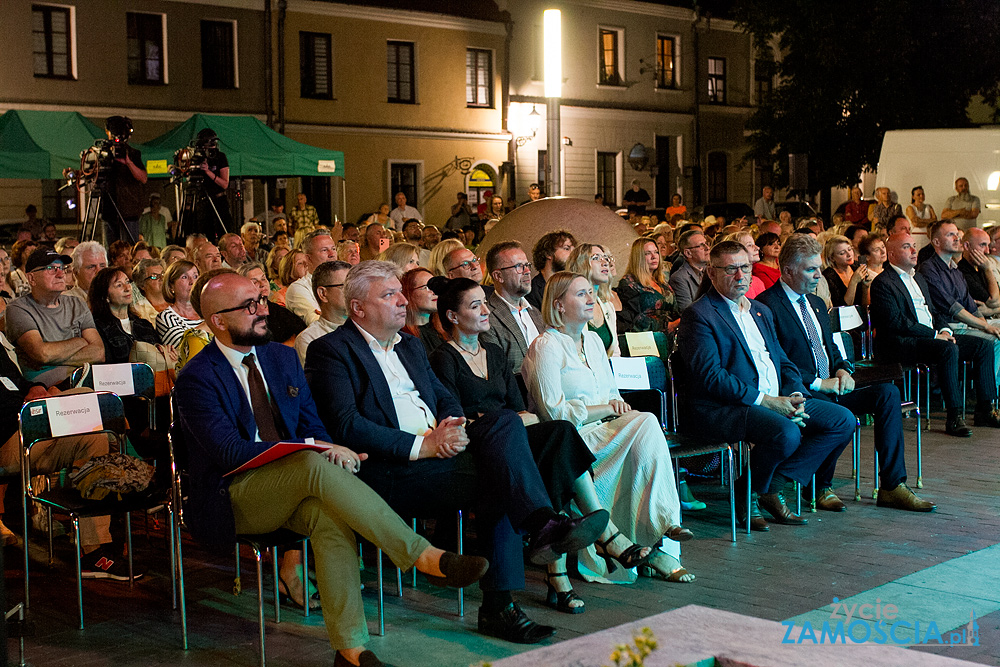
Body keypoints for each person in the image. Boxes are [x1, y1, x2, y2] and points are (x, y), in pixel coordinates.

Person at [174, 272, 488, 667]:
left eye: (261, 300)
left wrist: (332, 448)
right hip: (233, 495)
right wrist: (315, 448)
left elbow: (312, 425)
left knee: (328, 517)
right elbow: (229, 452)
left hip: (295, 484)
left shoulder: (281, 357)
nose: (262, 310)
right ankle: (420, 555)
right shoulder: (196, 377)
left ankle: (351, 650)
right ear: (218, 320)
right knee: (309, 459)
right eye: (248, 306)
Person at [304, 261, 608, 644]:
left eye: (401, 292)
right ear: (358, 308)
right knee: (500, 473)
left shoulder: (410, 345)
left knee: (533, 430)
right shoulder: (330, 350)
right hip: (393, 468)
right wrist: (423, 446)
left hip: (445, 451)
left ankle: (541, 527)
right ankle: (519, 570)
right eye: (389, 295)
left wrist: (454, 426)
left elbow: (445, 396)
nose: (402, 301)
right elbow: (347, 424)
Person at [430, 277, 656, 613]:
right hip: (478, 446)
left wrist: (508, 418)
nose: (484, 310)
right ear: (452, 315)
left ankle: (572, 556)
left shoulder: (493, 351)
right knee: (544, 446)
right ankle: (601, 541)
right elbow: (454, 416)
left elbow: (519, 407)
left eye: (484, 303)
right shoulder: (443, 358)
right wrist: (500, 419)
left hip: (512, 436)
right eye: (475, 305)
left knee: (561, 433)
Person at [523, 272, 694, 584]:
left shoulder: (591, 340)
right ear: (559, 305)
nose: (591, 300)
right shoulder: (546, 346)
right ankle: (661, 533)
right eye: (581, 295)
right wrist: (605, 409)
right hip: (573, 441)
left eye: (591, 292)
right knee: (646, 423)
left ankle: (659, 534)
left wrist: (615, 407)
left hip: (608, 431)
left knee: (645, 427)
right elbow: (553, 413)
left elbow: (612, 392)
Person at [675, 241, 856, 531]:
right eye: (730, 269)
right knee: (786, 431)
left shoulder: (760, 310)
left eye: (745, 268)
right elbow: (711, 377)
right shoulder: (700, 315)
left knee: (842, 420)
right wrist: (767, 401)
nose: (740, 276)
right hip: (726, 407)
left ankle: (769, 486)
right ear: (712, 273)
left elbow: (783, 362)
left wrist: (795, 394)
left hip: (775, 400)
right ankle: (749, 492)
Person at [757, 235, 935, 512]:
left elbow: (830, 346)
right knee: (840, 417)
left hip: (831, 383)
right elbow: (777, 362)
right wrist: (818, 382)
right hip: (800, 390)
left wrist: (843, 368)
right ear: (788, 269)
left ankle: (892, 485)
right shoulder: (767, 305)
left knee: (888, 393)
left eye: (819, 267)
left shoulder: (815, 302)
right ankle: (819, 485)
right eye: (810, 269)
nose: (819, 275)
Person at [870, 233, 997, 436]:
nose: (914, 251)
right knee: (947, 348)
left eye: (914, 246)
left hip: (931, 337)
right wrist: (934, 335)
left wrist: (944, 330)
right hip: (902, 343)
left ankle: (985, 409)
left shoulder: (918, 277)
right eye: (906, 247)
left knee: (983, 345)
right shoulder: (883, 283)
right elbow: (898, 322)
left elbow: (934, 311)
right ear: (891, 254)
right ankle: (954, 417)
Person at [918, 220, 1000, 392]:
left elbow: (971, 306)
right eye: (950, 235)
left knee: (996, 331)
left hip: (966, 324)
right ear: (937, 242)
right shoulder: (929, 269)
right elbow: (953, 309)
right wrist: (985, 326)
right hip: (949, 327)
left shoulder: (955, 269)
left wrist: (986, 324)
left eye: (957, 234)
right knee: (994, 340)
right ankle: (991, 395)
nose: (957, 238)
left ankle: (993, 390)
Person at [5, 248, 106, 388]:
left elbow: (99, 353)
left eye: (62, 268)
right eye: (51, 268)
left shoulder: (76, 304)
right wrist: (80, 341)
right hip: (45, 388)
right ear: (31, 278)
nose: (60, 274)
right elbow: (42, 354)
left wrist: (53, 358)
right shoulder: (18, 309)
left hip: (83, 378)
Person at [480, 241, 545, 374]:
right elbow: (501, 371)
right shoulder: (487, 318)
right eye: (519, 267)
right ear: (498, 276)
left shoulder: (535, 312)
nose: (527, 271)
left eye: (527, 265)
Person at [87, 266, 164, 364]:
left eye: (127, 282)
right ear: (105, 295)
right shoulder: (99, 327)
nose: (127, 288)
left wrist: (166, 351)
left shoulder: (144, 325)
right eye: (119, 285)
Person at [616, 237, 680, 335]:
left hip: (669, 340)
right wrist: (668, 326)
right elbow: (630, 322)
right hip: (645, 342)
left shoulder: (662, 282)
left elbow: (674, 311)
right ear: (638, 257)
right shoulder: (629, 283)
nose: (654, 256)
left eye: (656, 252)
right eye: (648, 253)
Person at [566, 243, 620, 357]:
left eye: (605, 258)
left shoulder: (608, 307)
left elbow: (615, 353)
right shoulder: (570, 306)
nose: (605, 262)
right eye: (596, 258)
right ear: (581, 265)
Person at [101, 116, 147, 244]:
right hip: (108, 211)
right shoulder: (102, 153)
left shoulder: (133, 153)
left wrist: (128, 162)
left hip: (129, 211)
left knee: (130, 250)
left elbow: (143, 178)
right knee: (111, 252)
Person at [295, 260, 351, 366]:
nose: (353, 292)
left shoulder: (366, 328)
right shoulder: (310, 339)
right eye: (345, 286)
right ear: (323, 294)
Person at [238, 262, 305, 346]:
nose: (262, 284)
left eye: (263, 279)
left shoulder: (278, 311)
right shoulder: (242, 316)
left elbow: (303, 333)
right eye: (255, 282)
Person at [285, 230, 337, 325]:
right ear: (308, 258)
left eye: (333, 249)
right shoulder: (298, 288)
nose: (331, 254)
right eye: (324, 250)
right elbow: (318, 324)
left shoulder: (346, 282)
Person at [190, 129, 231, 240]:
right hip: (203, 201)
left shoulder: (220, 157)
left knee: (224, 234)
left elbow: (225, 184)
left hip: (219, 200)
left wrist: (208, 172)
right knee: (205, 235)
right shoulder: (198, 158)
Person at [155, 260, 202, 349]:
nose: (192, 282)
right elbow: (185, 347)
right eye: (184, 277)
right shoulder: (166, 317)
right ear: (171, 286)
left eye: (195, 276)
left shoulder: (206, 312)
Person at [401, 268, 446, 356]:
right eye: (427, 287)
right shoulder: (401, 336)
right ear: (409, 293)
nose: (434, 292)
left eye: (436, 287)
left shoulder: (444, 329)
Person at [526, 231, 576, 310]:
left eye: (574, 251)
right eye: (567, 248)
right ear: (548, 254)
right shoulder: (532, 292)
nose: (573, 254)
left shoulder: (573, 285)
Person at [958, 228, 1000, 315]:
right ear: (966, 246)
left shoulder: (980, 268)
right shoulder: (962, 271)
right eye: (982, 245)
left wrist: (991, 311)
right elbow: (994, 301)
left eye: (988, 245)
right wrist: (988, 270)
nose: (987, 251)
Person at [823, 235, 872, 307]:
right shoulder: (828, 276)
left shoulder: (857, 267)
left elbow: (865, 305)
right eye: (842, 253)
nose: (849, 254)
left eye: (849, 249)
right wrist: (853, 282)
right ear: (832, 258)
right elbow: (843, 307)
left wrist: (866, 287)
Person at [668, 230, 709, 311]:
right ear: (688, 253)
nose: (707, 248)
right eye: (701, 245)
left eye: (706, 244)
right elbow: (687, 312)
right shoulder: (679, 278)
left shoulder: (712, 271)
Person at [131, 258, 168, 324]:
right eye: (154, 276)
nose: (161, 278)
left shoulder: (177, 301)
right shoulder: (138, 311)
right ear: (142, 284)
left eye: (163, 274)